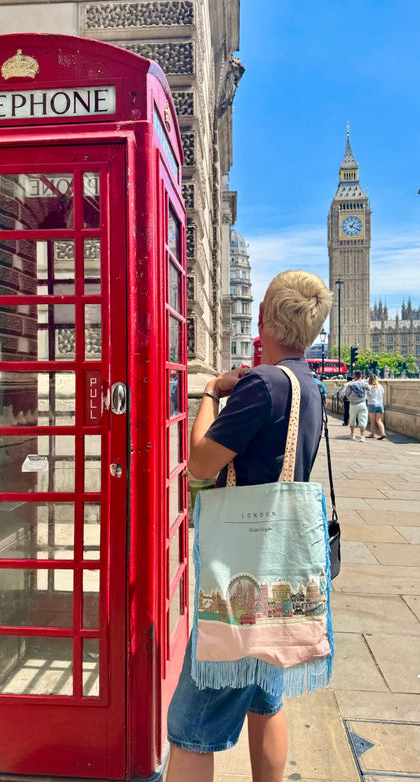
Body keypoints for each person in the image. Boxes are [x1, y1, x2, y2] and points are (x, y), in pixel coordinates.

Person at [166, 270, 332, 782]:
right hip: (281, 571)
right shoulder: (312, 385)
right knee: (265, 698)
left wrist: (212, 391)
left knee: (190, 725)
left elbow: (199, 463)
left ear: (266, 318)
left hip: (242, 576)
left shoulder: (260, 385)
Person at [344, 370, 369, 441]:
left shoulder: (350, 384)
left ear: (354, 376)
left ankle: (352, 434)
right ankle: (362, 436)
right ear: (361, 376)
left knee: (352, 419)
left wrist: (350, 398)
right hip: (362, 403)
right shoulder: (365, 384)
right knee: (363, 419)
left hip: (353, 403)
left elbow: (347, 393)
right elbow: (369, 392)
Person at [367, 373, 386, 439]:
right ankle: (383, 433)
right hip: (380, 404)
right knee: (379, 420)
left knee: (372, 421)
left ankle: (372, 434)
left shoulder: (369, 387)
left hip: (372, 404)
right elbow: (383, 395)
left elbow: (367, 395)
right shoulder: (380, 386)